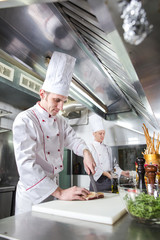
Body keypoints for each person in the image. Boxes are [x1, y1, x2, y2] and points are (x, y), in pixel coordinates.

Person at [13, 51, 96, 214]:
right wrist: (60, 192)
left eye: (64, 101)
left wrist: (86, 152)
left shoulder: (60, 122)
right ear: (42, 94)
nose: (60, 107)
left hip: (54, 190)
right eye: (57, 100)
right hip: (33, 194)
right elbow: (26, 166)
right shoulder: (25, 120)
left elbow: (74, 140)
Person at [88, 114, 129, 192]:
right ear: (94, 134)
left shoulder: (108, 148)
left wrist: (123, 172)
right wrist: (106, 173)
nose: (102, 136)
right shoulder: (89, 147)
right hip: (97, 182)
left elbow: (114, 166)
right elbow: (91, 167)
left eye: (104, 133)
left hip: (109, 181)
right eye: (100, 133)